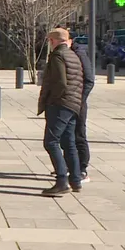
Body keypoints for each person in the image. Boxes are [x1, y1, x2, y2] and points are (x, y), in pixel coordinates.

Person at [38, 28, 84, 197]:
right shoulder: (73, 55)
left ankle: (62, 181)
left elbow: (60, 83)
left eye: (50, 41)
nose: (49, 44)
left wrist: (52, 102)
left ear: (54, 41)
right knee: (69, 142)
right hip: (73, 104)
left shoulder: (58, 56)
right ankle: (76, 180)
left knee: (50, 142)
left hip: (60, 104)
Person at [68, 31, 95, 183]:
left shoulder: (79, 54)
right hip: (66, 102)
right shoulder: (63, 54)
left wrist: (80, 98)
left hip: (78, 102)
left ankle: (83, 169)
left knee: (79, 134)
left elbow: (90, 80)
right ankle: (70, 166)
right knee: (66, 136)